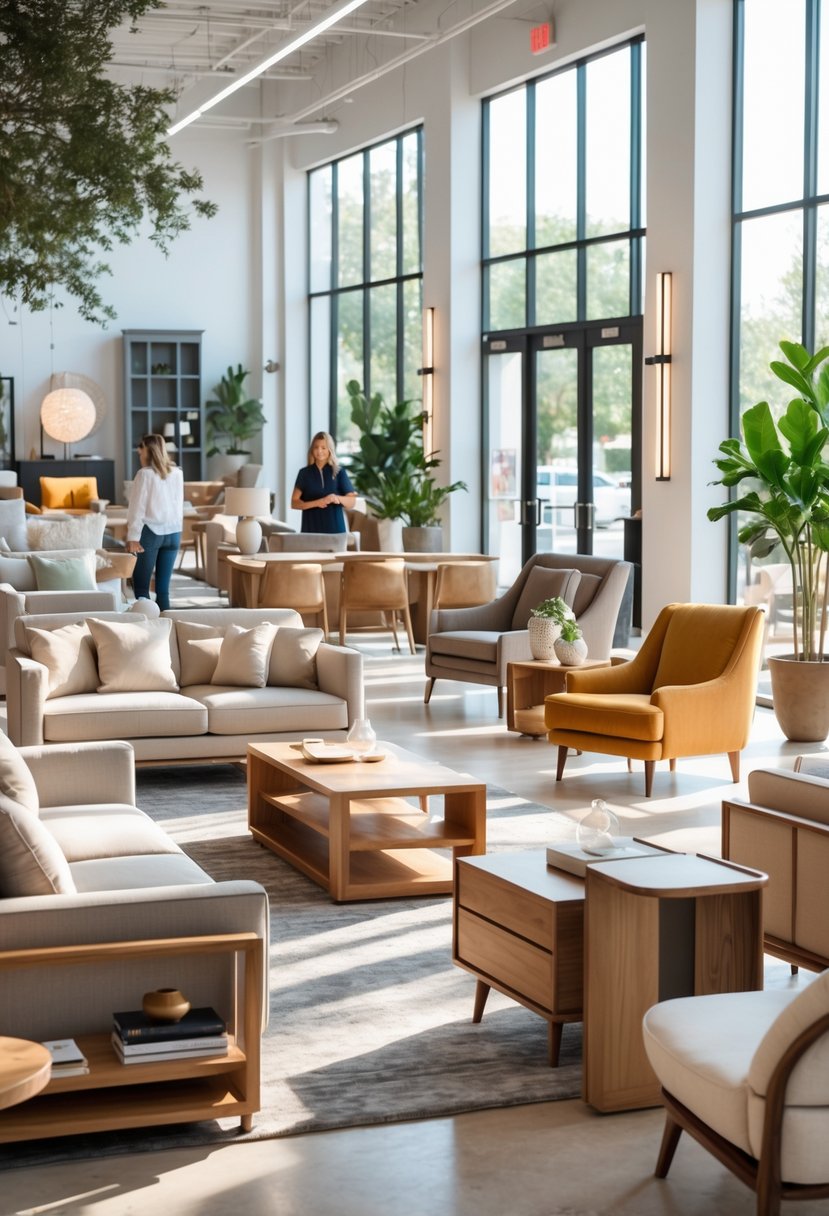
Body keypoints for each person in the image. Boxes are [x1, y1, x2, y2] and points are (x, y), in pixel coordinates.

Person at [126, 433, 184, 611]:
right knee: (163, 591)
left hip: (150, 534)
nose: (139, 454)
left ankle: (146, 628)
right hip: (174, 534)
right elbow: (179, 504)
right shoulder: (177, 472)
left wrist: (133, 536)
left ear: (148, 451)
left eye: (140, 450)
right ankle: (167, 627)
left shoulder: (144, 474)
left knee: (142, 588)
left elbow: (137, 508)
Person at [291, 431, 356, 533]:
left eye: (323, 447)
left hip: (335, 531)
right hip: (310, 530)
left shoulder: (339, 472)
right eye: (316, 447)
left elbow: (351, 502)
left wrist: (336, 498)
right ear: (312, 449)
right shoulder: (304, 473)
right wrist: (318, 502)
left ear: (329, 449)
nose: (319, 451)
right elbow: (294, 503)